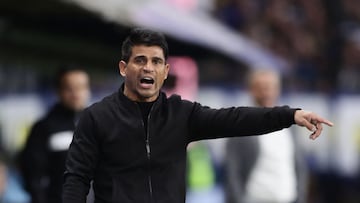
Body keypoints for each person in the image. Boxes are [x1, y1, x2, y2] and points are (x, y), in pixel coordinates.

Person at [62, 28, 333, 203]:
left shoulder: (182, 114)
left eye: (156, 62)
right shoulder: (96, 117)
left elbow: (236, 118)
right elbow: (76, 178)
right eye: (140, 60)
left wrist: (290, 114)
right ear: (124, 68)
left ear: (165, 72)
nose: (148, 68)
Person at [225, 69, 308, 203]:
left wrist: (301, 196)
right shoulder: (241, 123)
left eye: (270, 87)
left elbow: (298, 164)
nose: (266, 92)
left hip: (287, 198)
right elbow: (232, 170)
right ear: (251, 90)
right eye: (261, 88)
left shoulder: (289, 124)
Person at [20, 67, 90, 203]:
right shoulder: (43, 128)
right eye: (69, 88)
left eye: (81, 87)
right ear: (58, 91)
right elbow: (33, 175)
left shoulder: (98, 125)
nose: (76, 93)